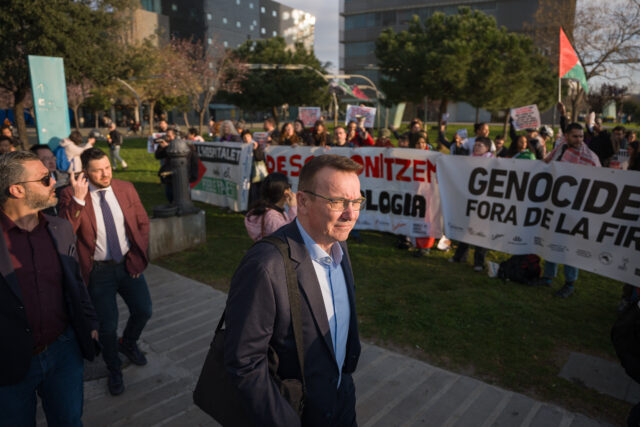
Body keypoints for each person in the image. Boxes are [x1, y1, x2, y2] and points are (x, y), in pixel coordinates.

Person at [224, 155, 363, 426]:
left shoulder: (338, 243)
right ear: (303, 202)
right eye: (337, 202)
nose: (351, 214)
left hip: (341, 400)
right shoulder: (265, 266)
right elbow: (245, 362)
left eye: (356, 201)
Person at [0, 151, 99, 426]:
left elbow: (75, 282)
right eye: (45, 179)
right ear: (17, 189)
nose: (54, 181)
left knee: (69, 420)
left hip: (64, 352)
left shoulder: (60, 229)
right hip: (8, 363)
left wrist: (89, 321)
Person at [58, 148, 152, 395]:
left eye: (108, 167)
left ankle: (128, 343)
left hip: (128, 265)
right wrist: (78, 200)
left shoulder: (125, 188)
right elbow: (64, 232)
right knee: (107, 327)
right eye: (98, 170)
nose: (105, 174)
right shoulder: (70, 194)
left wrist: (137, 259)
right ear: (85, 172)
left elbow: (142, 223)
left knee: (144, 310)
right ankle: (114, 368)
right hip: (98, 272)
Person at [540, 123, 601, 297]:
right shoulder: (561, 147)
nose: (579, 140)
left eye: (581, 136)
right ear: (566, 136)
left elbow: (597, 180)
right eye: (575, 136)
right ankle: (548, 277)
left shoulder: (589, 157)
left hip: (575, 207)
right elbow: (547, 163)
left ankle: (570, 283)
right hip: (555, 203)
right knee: (552, 239)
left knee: (569, 244)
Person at [449, 137, 493, 271]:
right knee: (465, 229)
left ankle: (479, 262)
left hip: (484, 202)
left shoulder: (493, 162)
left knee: (480, 232)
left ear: (487, 148)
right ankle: (460, 256)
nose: (476, 147)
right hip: (468, 200)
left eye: (480, 145)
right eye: (476, 145)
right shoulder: (468, 160)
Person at [244, 173, 297, 241]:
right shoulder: (272, 217)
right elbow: (292, 234)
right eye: (289, 187)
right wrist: (293, 208)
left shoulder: (266, 209)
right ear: (286, 192)